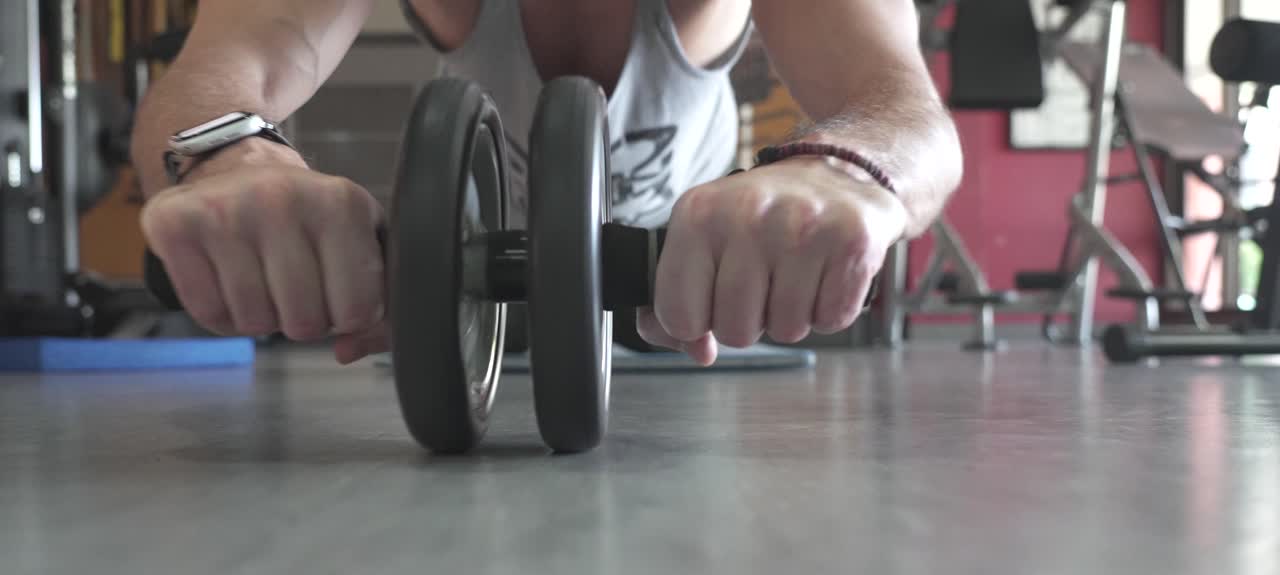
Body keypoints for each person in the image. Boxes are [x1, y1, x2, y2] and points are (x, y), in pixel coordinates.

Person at [131, 0, 962, 367]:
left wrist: (845, 170)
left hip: (686, 307)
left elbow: (906, 114)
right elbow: (220, 72)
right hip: (484, 307)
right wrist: (232, 162)